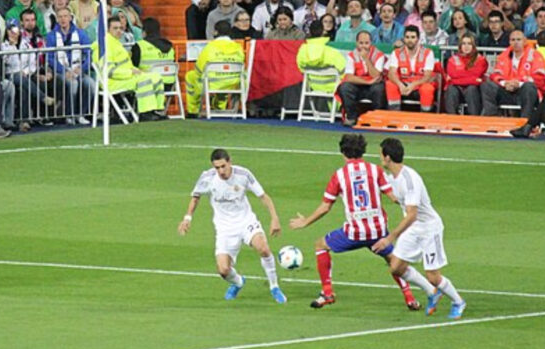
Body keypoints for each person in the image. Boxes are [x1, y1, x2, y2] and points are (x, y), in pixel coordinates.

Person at [288, 133, 421, 310]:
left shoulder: (339, 175)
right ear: (363, 151)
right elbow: (393, 197)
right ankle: (410, 298)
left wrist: (306, 221)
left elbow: (325, 207)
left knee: (320, 246)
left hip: (355, 233)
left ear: (343, 152)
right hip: (378, 231)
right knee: (393, 260)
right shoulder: (375, 170)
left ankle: (327, 293)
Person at [373, 138, 468, 320]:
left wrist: (390, 237)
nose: (380, 159)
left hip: (428, 228)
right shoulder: (393, 178)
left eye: (380, 155)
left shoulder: (410, 180)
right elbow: (396, 199)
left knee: (433, 275)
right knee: (396, 267)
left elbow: (412, 214)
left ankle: (458, 301)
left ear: (387, 157)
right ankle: (432, 292)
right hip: (413, 228)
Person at [177, 148, 286, 304]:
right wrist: (187, 218)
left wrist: (274, 218)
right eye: (217, 167)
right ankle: (238, 282)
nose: (221, 171)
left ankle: (274, 287)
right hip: (224, 229)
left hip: (246, 221)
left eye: (223, 166)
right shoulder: (207, 178)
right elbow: (196, 197)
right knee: (223, 270)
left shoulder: (243, 174)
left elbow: (263, 197)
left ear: (230, 162)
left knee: (263, 248)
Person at [185, 20, 243, 118]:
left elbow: (199, 69)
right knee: (224, 80)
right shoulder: (238, 48)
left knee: (191, 76)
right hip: (233, 84)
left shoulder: (209, 47)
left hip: (212, 83)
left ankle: (193, 111)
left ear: (215, 32)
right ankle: (220, 108)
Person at [338, 30, 387, 126]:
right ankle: (352, 117)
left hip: (373, 86)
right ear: (356, 43)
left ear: (371, 43)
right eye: (361, 43)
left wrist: (366, 59)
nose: (364, 46)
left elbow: (376, 76)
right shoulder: (352, 55)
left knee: (379, 88)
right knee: (345, 87)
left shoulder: (378, 55)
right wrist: (367, 82)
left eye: (366, 43)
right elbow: (349, 77)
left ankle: (377, 118)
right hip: (359, 85)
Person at [385, 26, 438, 112]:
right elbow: (391, 73)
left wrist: (414, 84)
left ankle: (425, 115)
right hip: (403, 84)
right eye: (407, 37)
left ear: (418, 39)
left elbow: (427, 76)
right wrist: (399, 84)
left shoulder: (428, 53)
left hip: (419, 84)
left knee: (427, 88)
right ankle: (394, 114)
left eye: (413, 37)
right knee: (390, 84)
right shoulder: (396, 52)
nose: (410, 40)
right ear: (404, 39)